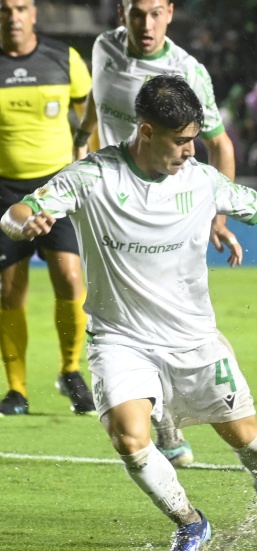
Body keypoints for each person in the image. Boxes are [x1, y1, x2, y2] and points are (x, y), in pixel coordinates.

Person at [0, 74, 257, 551]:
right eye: (182, 141)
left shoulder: (202, 181)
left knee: (247, 439)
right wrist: (27, 224)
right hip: (119, 339)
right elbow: (17, 213)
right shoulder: (93, 177)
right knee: (129, 439)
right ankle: (190, 522)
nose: (192, 151)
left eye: (195, 139)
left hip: (193, 340)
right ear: (146, 131)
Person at [73, 0, 242, 467]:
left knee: (166, 307)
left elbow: (219, 143)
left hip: (168, 205)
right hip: (109, 201)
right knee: (117, 307)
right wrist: (82, 134)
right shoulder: (102, 46)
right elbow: (95, 98)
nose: (145, 24)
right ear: (122, 11)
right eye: (135, 12)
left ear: (169, 13)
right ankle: (161, 417)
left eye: (154, 12)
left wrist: (218, 216)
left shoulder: (187, 70)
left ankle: (170, 413)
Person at [0, 0, 95, 416]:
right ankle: (16, 391)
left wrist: (85, 156)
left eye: (21, 8)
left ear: (34, 13)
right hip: (4, 192)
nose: (13, 16)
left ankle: (71, 371)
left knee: (70, 278)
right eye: (5, 9)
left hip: (57, 187)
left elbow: (88, 113)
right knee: (9, 289)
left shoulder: (64, 58)